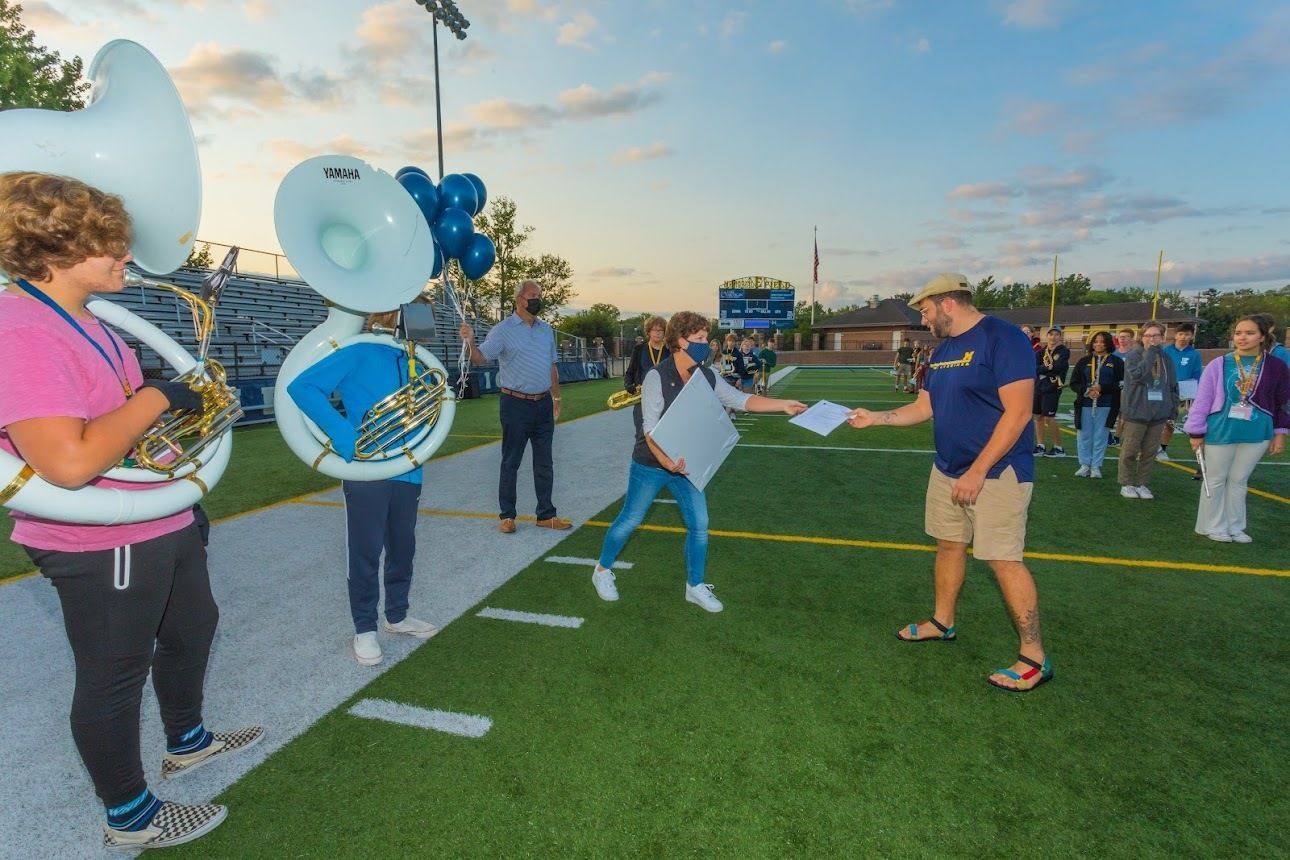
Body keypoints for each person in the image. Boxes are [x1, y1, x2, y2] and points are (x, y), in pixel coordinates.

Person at [0, 172, 261, 848]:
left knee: (194, 628)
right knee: (115, 676)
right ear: (54, 252)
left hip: (154, 517)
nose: (126, 256)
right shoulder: (21, 328)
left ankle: (187, 740)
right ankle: (130, 815)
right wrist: (158, 397)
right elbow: (69, 461)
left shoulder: (86, 320)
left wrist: (171, 443)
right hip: (98, 537)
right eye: (108, 245)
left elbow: (115, 432)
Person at [847, 274, 1051, 693]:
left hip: (997, 473)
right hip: (947, 469)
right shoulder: (943, 351)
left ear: (947, 303)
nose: (923, 320)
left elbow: (1018, 414)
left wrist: (978, 470)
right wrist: (878, 418)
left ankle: (1034, 656)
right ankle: (943, 621)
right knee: (948, 544)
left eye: (924, 310)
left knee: (1003, 560)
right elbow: (925, 407)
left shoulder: (1003, 338)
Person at [589, 311, 805, 612]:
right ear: (681, 341)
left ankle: (695, 585)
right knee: (630, 519)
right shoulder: (656, 376)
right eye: (701, 339)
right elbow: (648, 429)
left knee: (700, 524)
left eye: (707, 338)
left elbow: (739, 400)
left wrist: (783, 404)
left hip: (685, 465)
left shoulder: (706, 374)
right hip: (651, 463)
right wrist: (666, 462)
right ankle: (601, 571)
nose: (708, 345)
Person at [287, 306, 439, 667]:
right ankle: (365, 627)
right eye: (420, 312)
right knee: (366, 550)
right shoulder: (359, 350)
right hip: (368, 468)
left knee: (403, 547)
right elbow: (302, 387)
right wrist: (344, 435)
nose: (426, 321)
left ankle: (397, 615)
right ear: (395, 315)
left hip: (409, 469)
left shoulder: (417, 357)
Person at [460, 280, 571, 533]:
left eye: (539, 295)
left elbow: (551, 367)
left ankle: (546, 514)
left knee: (545, 462)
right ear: (519, 299)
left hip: (542, 404)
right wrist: (469, 341)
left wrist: (556, 398)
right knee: (511, 461)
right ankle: (507, 516)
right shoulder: (502, 330)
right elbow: (478, 358)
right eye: (533, 295)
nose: (537, 299)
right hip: (515, 405)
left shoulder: (546, 330)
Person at [1185, 316, 1290, 542]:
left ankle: (1235, 526)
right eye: (1238, 333)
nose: (1242, 337)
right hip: (1221, 428)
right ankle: (1212, 526)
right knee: (1215, 478)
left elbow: (1283, 401)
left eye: (1250, 333)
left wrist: (1280, 433)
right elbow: (1203, 399)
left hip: (1257, 430)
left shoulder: (1276, 366)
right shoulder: (1219, 364)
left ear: (1262, 336)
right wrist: (1196, 430)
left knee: (1239, 479)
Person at [1118, 321, 1179, 499]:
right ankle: (1127, 483)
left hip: (1158, 412)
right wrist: (1150, 353)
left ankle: (1142, 483)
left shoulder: (1166, 358)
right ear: (1142, 337)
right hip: (1137, 411)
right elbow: (1138, 376)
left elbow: (1172, 385)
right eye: (1148, 335)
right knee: (1130, 450)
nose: (1152, 339)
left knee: (1150, 451)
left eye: (1156, 336)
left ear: (1162, 337)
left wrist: (1172, 408)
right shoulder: (1134, 355)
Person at [1069, 331, 1124, 478]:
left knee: (1101, 436)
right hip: (1085, 404)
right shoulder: (1084, 361)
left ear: (1108, 344)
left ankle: (1096, 466)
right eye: (1096, 341)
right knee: (1084, 435)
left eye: (1102, 342)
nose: (1098, 344)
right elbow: (1073, 383)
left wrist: (1102, 388)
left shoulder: (1117, 362)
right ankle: (1084, 464)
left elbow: (1120, 384)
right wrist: (1086, 391)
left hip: (1106, 404)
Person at [1159, 322, 1203, 461]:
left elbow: (1196, 375)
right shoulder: (1166, 351)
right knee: (1155, 420)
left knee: (1170, 421)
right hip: (1162, 390)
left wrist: (1194, 393)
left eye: (1187, 334)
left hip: (1182, 393)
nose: (1183, 337)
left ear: (1192, 336)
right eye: (1181, 334)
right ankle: (1149, 447)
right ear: (1176, 335)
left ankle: (1162, 449)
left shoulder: (1194, 354)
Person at [1032, 327, 1070, 457]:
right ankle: (1040, 445)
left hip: (1052, 387)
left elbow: (1059, 367)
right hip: (1039, 386)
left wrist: (1046, 369)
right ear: (1047, 336)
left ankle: (1058, 447)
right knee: (1037, 416)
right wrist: (1048, 367)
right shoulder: (1041, 352)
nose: (1053, 337)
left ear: (1060, 337)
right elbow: (1035, 369)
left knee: (1049, 417)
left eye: (1056, 335)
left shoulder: (1064, 351)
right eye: (1051, 334)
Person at [623, 316, 667, 395]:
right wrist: (628, 385)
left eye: (660, 330)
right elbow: (630, 372)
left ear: (664, 332)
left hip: (665, 395)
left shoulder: (670, 351)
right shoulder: (639, 349)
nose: (657, 333)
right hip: (643, 395)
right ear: (648, 332)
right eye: (654, 330)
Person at [1109, 327, 1136, 445]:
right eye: (1121, 337)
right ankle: (1108, 435)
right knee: (1110, 411)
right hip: (1113, 387)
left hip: (1128, 387)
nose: (1123, 339)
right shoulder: (1113, 354)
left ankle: (1117, 437)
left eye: (1126, 337)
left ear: (1132, 339)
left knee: (1123, 413)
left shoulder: (1136, 354)